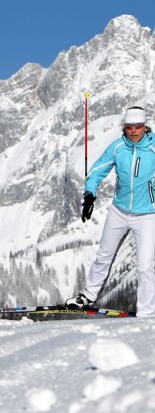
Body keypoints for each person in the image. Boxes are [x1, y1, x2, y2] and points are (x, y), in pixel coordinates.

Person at [66, 106, 155, 317]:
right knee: (104, 256)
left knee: (144, 266)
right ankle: (88, 296)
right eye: (129, 127)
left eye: (138, 126)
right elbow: (97, 171)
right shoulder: (117, 148)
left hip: (147, 215)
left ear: (145, 127)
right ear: (124, 127)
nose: (133, 131)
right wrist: (89, 195)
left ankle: (147, 313)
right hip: (119, 211)